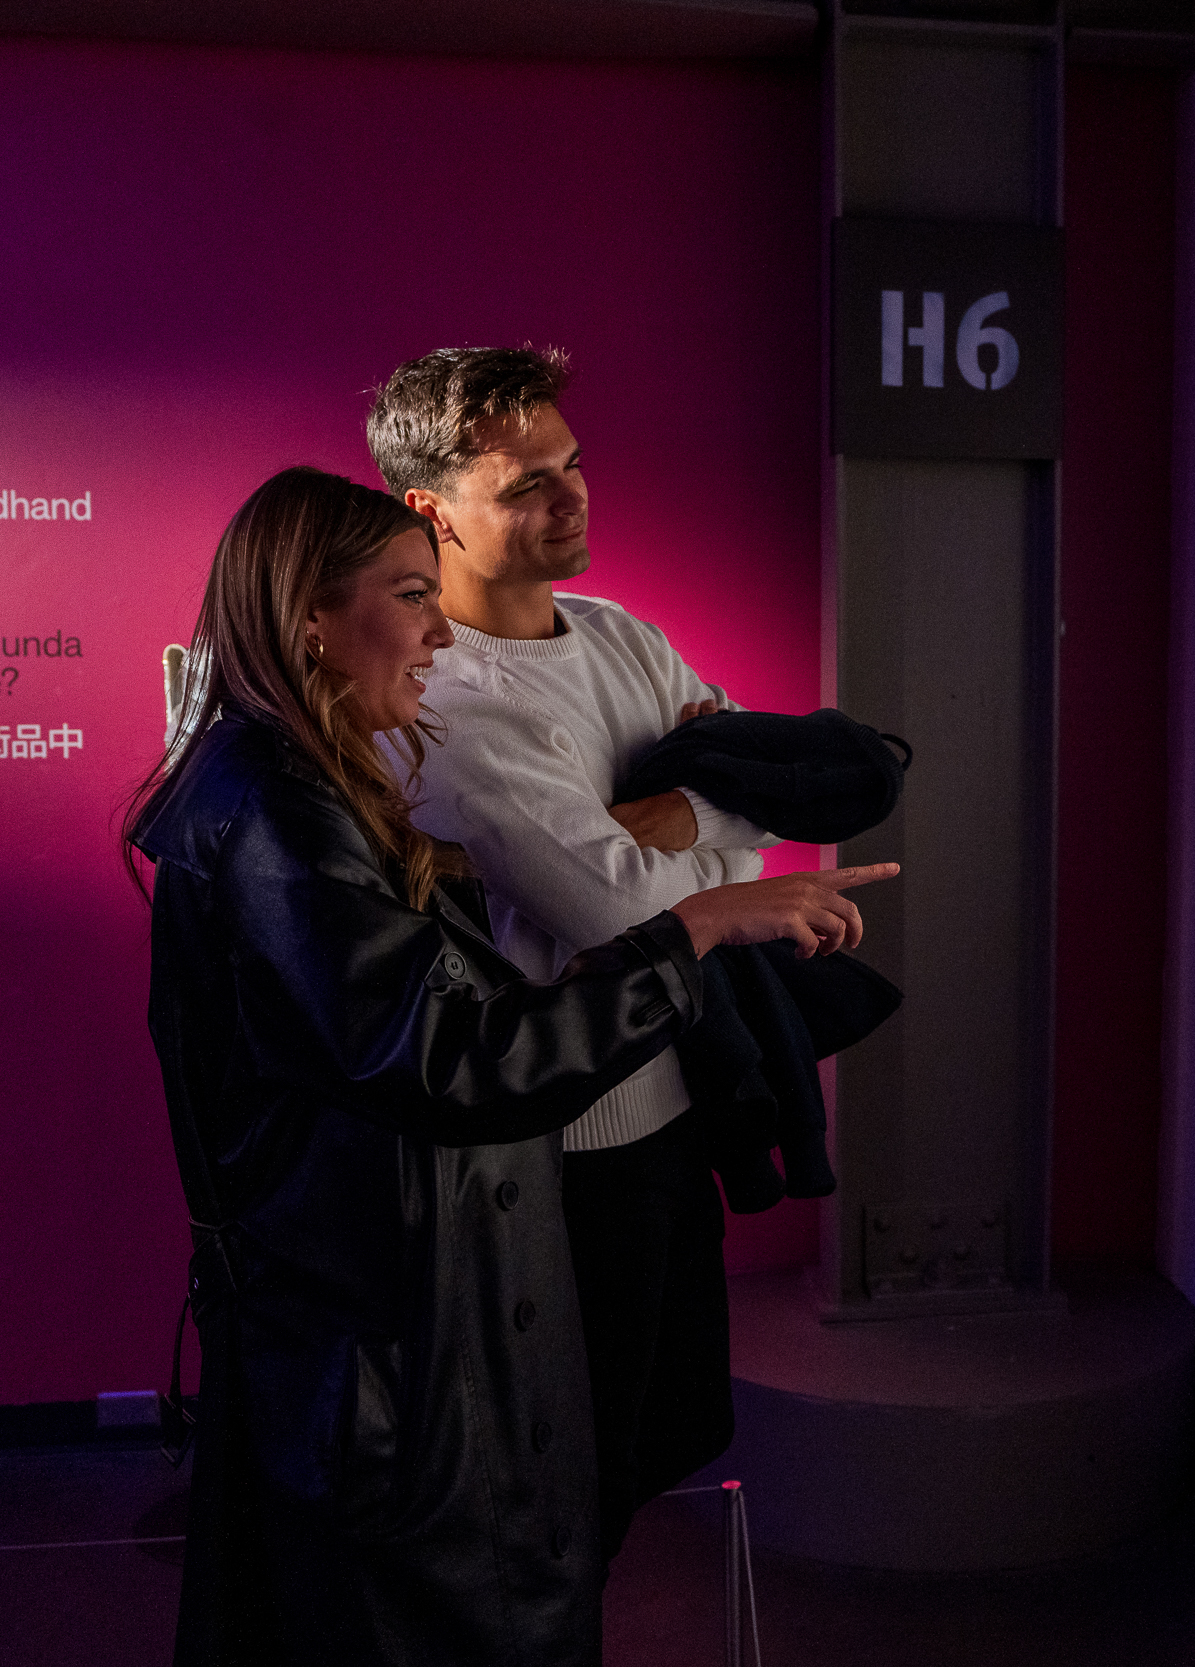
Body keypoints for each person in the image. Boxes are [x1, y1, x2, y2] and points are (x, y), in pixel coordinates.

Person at [123, 465, 889, 1666]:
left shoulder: (314, 784)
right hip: (387, 1355)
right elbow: (452, 1057)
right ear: (309, 617)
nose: (440, 631)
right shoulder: (279, 815)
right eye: (410, 595)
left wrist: (662, 843)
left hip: (401, 1334)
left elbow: (728, 761)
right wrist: (690, 923)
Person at [365, 347, 771, 1559]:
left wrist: (678, 822)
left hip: (664, 1108)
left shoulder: (619, 635)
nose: (570, 495)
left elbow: (767, 799)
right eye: (524, 483)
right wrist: (693, 830)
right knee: (545, 1494)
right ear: (431, 512)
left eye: (573, 463)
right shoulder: (442, 694)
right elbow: (623, 919)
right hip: (548, 1153)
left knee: (644, 1447)